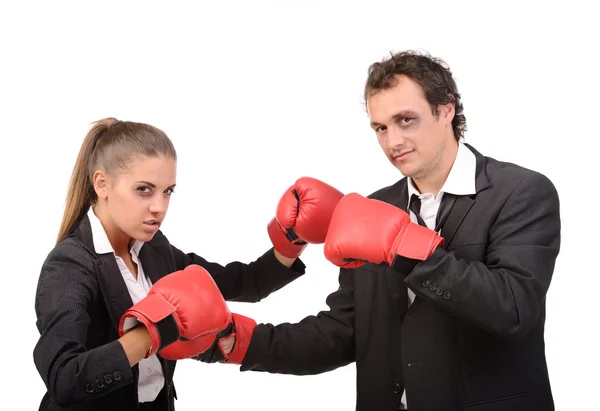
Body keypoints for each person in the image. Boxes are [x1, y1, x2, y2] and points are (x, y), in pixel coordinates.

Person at [194, 50, 561, 411]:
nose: (392, 142)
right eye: (380, 128)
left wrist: (406, 245)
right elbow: (347, 330)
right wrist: (239, 341)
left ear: (446, 109)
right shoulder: (375, 207)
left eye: (405, 120)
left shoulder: (520, 191)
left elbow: (513, 309)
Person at [32, 117, 345, 411]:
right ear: (102, 184)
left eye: (167, 192)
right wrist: (148, 335)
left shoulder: (154, 248)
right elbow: (64, 379)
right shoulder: (69, 266)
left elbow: (245, 283)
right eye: (144, 190)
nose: (159, 207)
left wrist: (292, 238)